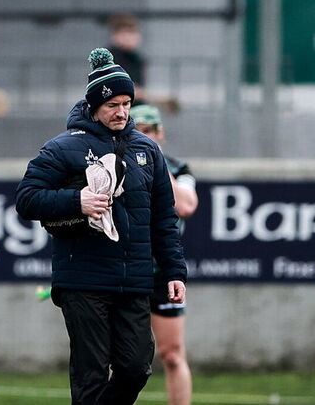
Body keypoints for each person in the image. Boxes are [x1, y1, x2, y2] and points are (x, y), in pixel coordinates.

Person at [15, 47, 187, 405]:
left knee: (136, 368)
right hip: (83, 278)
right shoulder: (62, 148)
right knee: (90, 376)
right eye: (112, 105)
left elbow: (164, 217)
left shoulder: (147, 150)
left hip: (134, 279)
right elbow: (27, 199)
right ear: (94, 106)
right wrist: (75, 200)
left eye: (126, 104)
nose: (121, 112)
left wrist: (174, 271)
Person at [132, 104, 198, 405]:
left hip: (162, 273)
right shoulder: (117, 166)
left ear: (160, 133)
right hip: (128, 271)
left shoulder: (178, 169)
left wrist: (155, 163)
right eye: (138, 132)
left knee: (172, 355)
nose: (144, 137)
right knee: (117, 357)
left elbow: (185, 205)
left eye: (149, 132)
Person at [106, 13, 147, 102]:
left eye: (132, 33)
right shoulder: (108, 58)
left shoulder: (137, 59)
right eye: (124, 34)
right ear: (114, 36)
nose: (128, 38)